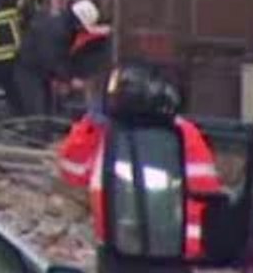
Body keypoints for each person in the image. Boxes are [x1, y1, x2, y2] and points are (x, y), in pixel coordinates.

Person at [57, 65, 221, 271]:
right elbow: (72, 170)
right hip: (117, 249)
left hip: (165, 255)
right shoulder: (106, 131)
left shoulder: (182, 135)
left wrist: (182, 253)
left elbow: (202, 200)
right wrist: (91, 125)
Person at [13, 0, 110, 117]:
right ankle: (36, 133)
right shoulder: (57, 31)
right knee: (37, 111)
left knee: (45, 110)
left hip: (39, 70)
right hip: (29, 71)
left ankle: (42, 132)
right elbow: (52, 59)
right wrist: (69, 78)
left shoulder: (64, 26)